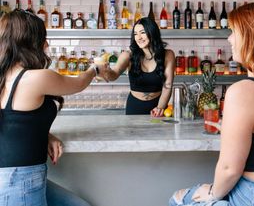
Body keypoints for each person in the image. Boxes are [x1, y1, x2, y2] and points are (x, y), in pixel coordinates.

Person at [169, 1, 254, 206]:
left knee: (178, 199)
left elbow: (229, 169)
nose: (229, 38)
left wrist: (212, 194)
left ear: (253, 38)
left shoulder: (243, 91)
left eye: (234, 31)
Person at [0, 10, 105, 206]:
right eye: (43, 38)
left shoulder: (5, 76)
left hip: (16, 178)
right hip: (20, 182)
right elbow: (79, 82)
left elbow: (13, 121)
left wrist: (45, 135)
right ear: (29, 42)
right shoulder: (36, 77)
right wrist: (95, 69)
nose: (47, 45)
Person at [103, 17, 175, 116]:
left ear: (152, 32)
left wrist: (160, 107)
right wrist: (104, 72)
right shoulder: (128, 55)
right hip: (134, 106)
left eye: (142, 32)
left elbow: (168, 85)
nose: (139, 37)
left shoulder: (168, 55)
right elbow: (114, 74)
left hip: (158, 106)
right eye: (135, 34)